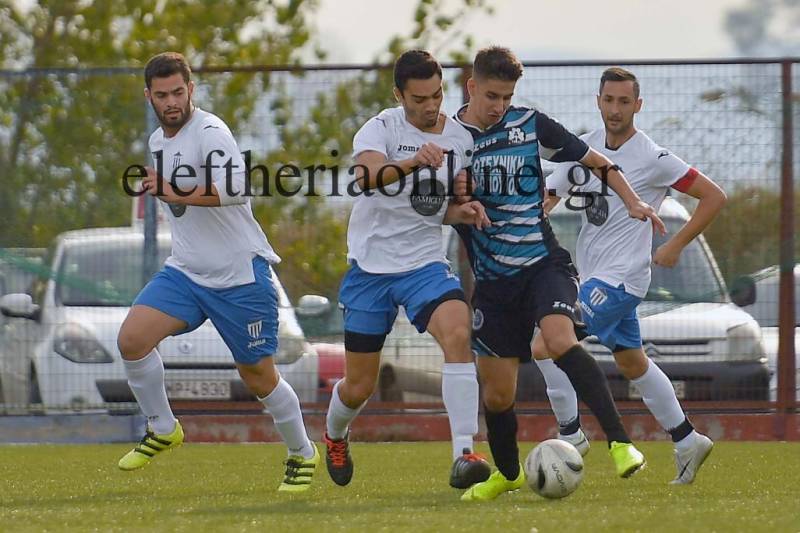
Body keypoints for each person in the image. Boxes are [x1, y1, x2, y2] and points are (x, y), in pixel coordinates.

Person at [452, 47, 665, 501]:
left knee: (559, 338)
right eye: (491, 96)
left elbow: (594, 160)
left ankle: (621, 443)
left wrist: (632, 200)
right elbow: (434, 205)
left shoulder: (530, 124)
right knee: (497, 395)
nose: (499, 106)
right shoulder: (450, 140)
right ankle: (508, 474)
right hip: (493, 283)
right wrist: (460, 209)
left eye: (507, 97)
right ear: (472, 87)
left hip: (544, 265)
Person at [117, 52, 318, 492]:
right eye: (162, 95)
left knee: (258, 376)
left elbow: (236, 188)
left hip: (238, 275)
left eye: (178, 92)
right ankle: (163, 427)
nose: (172, 102)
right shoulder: (157, 141)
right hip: (187, 273)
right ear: (149, 96)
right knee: (132, 340)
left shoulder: (210, 132)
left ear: (191, 89)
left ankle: (302, 452)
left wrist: (173, 190)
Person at [534, 67, 725, 485]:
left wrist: (675, 245)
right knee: (632, 361)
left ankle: (571, 434)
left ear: (638, 105)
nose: (615, 109)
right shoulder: (584, 149)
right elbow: (551, 193)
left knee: (545, 343)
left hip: (621, 281)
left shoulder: (653, 157)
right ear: (598, 101)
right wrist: (537, 211)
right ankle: (687, 439)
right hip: (595, 276)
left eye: (624, 101)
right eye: (609, 100)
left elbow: (714, 196)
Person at [323, 49, 492, 490]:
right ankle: (336, 434)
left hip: (424, 265)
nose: (430, 106)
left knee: (458, 333)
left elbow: (437, 206)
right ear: (399, 95)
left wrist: (463, 210)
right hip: (370, 269)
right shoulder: (379, 128)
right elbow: (366, 177)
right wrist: (415, 160)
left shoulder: (460, 140)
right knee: (359, 387)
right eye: (419, 99)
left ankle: (464, 454)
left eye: (436, 95)